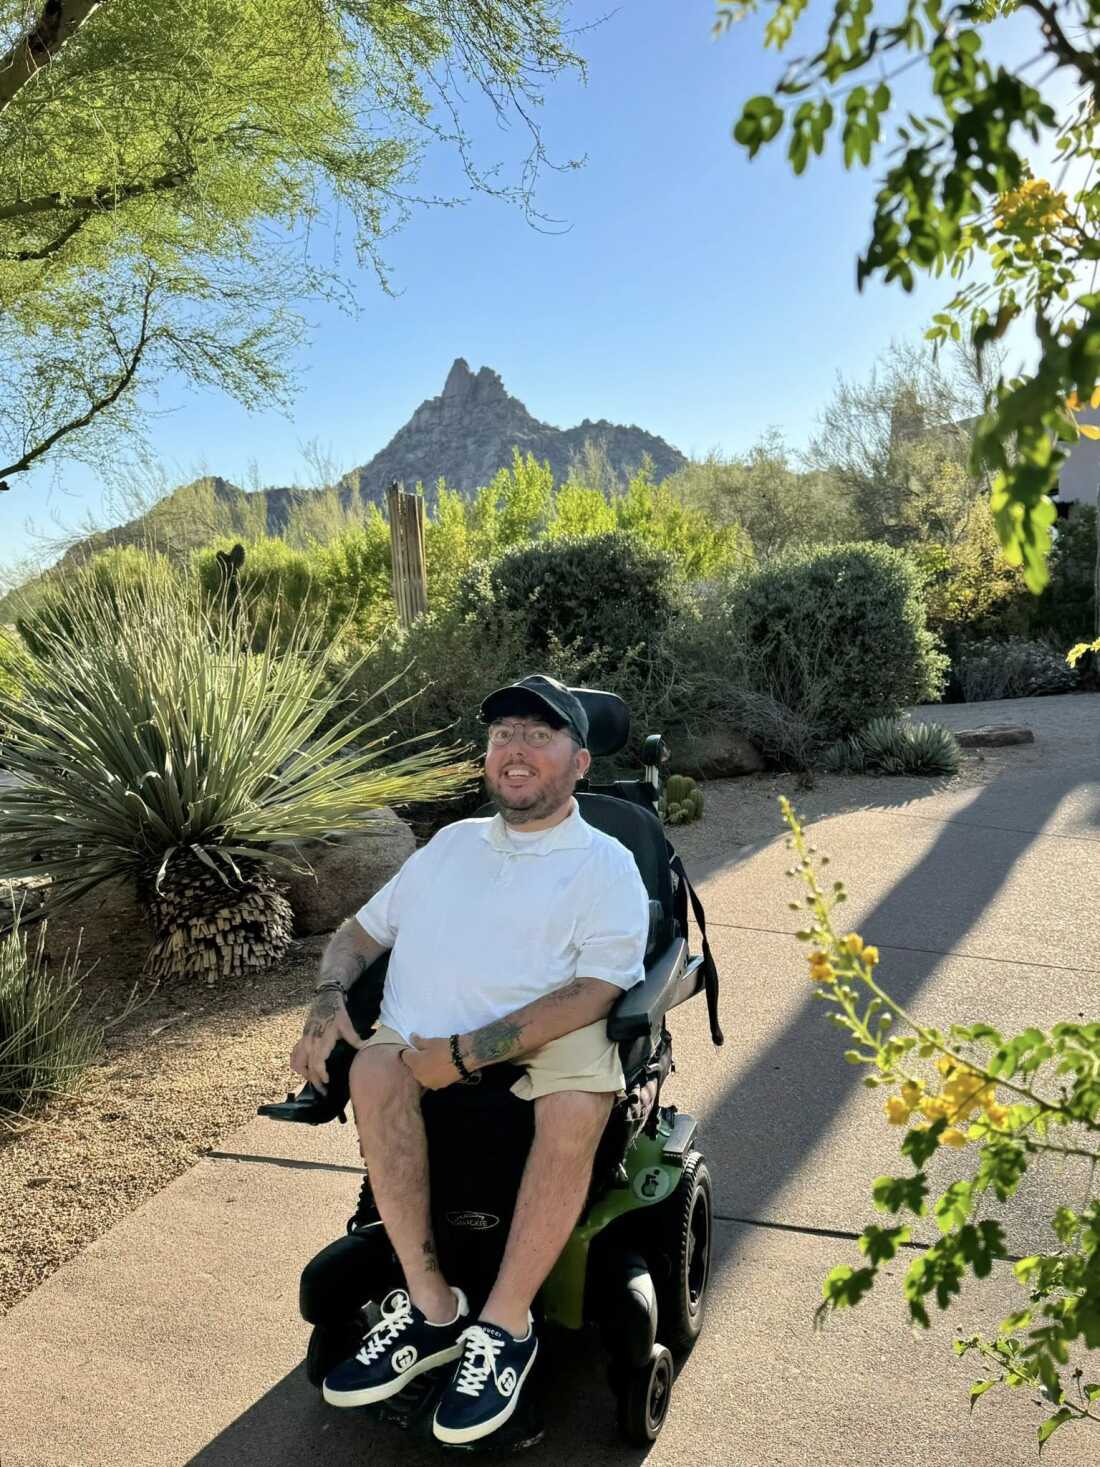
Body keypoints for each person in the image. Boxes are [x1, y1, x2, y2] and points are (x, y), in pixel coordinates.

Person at [289, 674, 649, 1446]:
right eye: (502, 735)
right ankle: (433, 1308)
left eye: (539, 735)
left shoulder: (606, 860)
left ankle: (506, 1324)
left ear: (580, 762)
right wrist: (326, 1003)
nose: (515, 749)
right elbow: (355, 936)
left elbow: (596, 988)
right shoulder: (448, 847)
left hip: (548, 1034)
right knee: (373, 1069)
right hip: (420, 1036)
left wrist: (465, 1053)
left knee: (578, 1102)